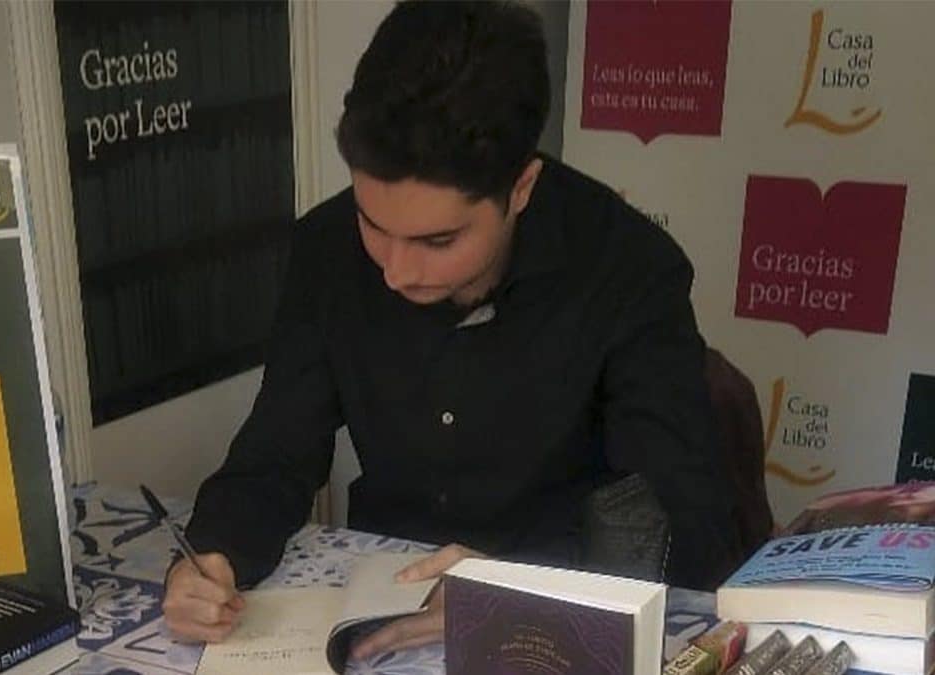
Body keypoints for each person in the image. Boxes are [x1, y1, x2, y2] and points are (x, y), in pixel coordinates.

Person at [162, 0, 740, 660]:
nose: (396, 272)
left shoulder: (628, 267)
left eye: (438, 239)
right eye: (373, 224)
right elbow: (276, 451)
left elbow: (678, 517)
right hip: (381, 608)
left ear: (520, 188)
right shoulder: (325, 251)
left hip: (549, 612)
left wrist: (505, 585)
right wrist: (210, 556)